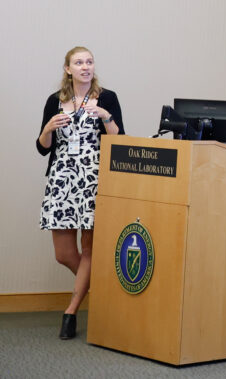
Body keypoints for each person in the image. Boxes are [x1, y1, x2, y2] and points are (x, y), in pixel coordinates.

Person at [36, 46, 124, 340]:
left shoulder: (107, 98)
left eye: (89, 62)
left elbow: (119, 140)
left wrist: (106, 116)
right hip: (62, 180)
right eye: (79, 62)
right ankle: (108, 292)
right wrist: (48, 129)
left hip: (93, 180)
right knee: (63, 254)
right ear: (68, 69)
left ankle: (71, 312)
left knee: (89, 249)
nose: (85, 67)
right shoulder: (55, 101)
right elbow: (43, 147)